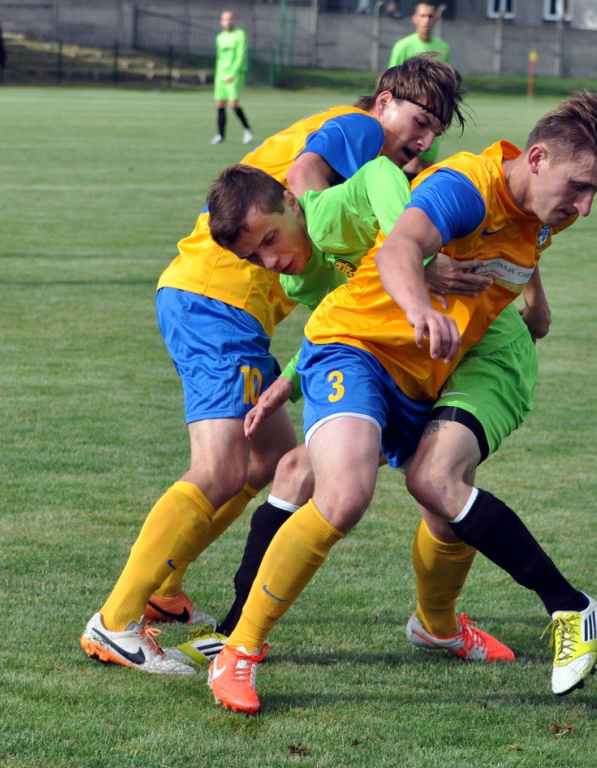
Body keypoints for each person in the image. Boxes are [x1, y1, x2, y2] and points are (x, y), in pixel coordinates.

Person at [206, 92, 597, 714]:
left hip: (424, 376)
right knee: (344, 493)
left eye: (596, 192)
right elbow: (404, 246)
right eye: (579, 187)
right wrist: (416, 308)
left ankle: (444, 624)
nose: (585, 207)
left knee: (442, 492)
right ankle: (238, 650)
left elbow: (522, 242)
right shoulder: (463, 186)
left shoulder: (550, 207)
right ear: (537, 158)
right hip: (355, 347)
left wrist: (533, 297)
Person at [79, 56, 466, 676]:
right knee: (219, 467)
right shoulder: (360, 127)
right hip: (218, 300)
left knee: (270, 461)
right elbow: (306, 172)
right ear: (385, 100)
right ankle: (116, 620)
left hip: (230, 308)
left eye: (433, 130)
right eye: (417, 120)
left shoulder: (375, 164)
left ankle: (162, 589)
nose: (421, 138)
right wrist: (408, 258)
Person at [389, 2, 450, 176]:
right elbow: (390, 82)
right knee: (411, 167)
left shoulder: (443, 48)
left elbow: (446, 85)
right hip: (412, 118)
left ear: (436, 20)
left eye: (430, 16)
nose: (426, 20)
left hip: (433, 118)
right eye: (423, 16)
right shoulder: (403, 47)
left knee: (426, 170)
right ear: (415, 18)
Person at [211, 10, 253, 145]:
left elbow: (241, 56)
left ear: (234, 20)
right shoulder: (220, 37)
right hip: (221, 75)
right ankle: (221, 135)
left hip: (235, 74)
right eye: (224, 20)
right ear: (221, 22)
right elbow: (220, 58)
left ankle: (247, 129)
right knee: (220, 104)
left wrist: (233, 73)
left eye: (229, 19)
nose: (227, 22)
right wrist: (219, 75)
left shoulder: (240, 35)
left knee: (233, 104)